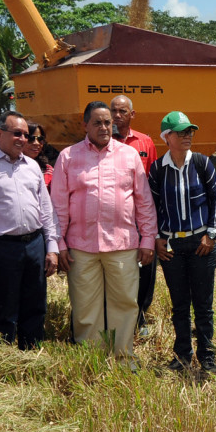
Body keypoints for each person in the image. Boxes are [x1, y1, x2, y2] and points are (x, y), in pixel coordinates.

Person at [51, 102, 156, 360]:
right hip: (81, 248)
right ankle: (92, 360)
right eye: (97, 122)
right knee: (86, 307)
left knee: (125, 303)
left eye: (108, 122)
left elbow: (143, 201)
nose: (104, 127)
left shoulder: (128, 155)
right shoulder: (68, 157)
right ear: (85, 125)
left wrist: (148, 239)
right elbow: (58, 207)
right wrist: (59, 245)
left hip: (123, 245)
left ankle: (123, 358)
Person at [0, 111, 60, 348]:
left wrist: (52, 247)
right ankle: (3, 353)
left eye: (26, 135)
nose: (23, 139)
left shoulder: (33, 167)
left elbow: (46, 211)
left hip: (34, 244)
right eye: (17, 133)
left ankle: (32, 352)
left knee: (35, 305)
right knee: (4, 307)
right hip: (1, 248)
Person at [148, 112, 216, 374]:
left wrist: (211, 235)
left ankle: (207, 356)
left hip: (201, 243)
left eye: (190, 131)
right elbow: (152, 206)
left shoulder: (202, 163)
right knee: (179, 305)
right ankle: (182, 356)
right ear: (166, 137)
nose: (187, 136)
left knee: (203, 305)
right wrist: (157, 237)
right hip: (172, 249)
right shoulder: (157, 169)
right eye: (181, 132)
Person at [110, 95, 160, 339]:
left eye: (122, 111)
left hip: (140, 219)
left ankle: (140, 316)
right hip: (114, 222)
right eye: (113, 111)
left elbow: (153, 182)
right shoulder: (101, 141)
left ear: (132, 114)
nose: (117, 115)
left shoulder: (145, 142)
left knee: (145, 270)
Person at [22, 122, 54, 188]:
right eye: (31, 138)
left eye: (40, 139)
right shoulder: (9, 169)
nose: (36, 143)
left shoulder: (48, 170)